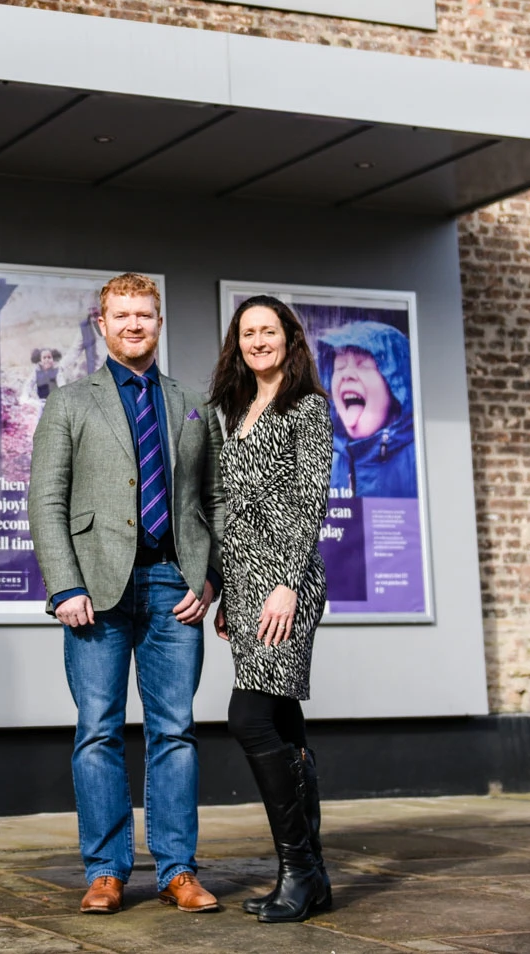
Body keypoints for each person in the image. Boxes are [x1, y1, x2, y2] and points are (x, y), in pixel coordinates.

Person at [28, 273, 224, 916]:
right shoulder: (69, 402)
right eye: (122, 315)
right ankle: (107, 871)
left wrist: (213, 579)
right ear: (101, 324)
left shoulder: (191, 401)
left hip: (174, 586)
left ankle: (177, 871)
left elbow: (212, 501)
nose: (134, 324)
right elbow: (47, 500)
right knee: (98, 732)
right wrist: (64, 585)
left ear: (158, 323)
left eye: (145, 314)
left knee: (175, 732)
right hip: (95, 591)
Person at [209, 295, 336, 924]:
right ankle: (309, 876)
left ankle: (301, 870)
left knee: (250, 716)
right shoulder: (234, 407)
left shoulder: (306, 408)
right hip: (246, 585)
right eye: (248, 332)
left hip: (286, 584)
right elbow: (227, 504)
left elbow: (310, 501)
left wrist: (286, 584)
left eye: (269, 330)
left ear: (289, 336)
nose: (259, 340)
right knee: (284, 724)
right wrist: (231, 592)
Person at [317, 321, 417, 499]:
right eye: (339, 367)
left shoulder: (419, 460)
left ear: (395, 384)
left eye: (363, 365)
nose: (346, 374)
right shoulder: (319, 463)